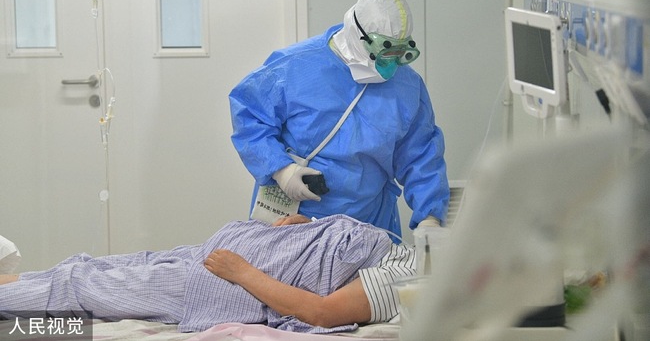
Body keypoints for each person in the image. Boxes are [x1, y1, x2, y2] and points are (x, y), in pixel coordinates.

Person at [229, 0, 450, 240]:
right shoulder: (294, 66)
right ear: (357, 34)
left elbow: (421, 155)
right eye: (382, 52)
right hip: (292, 222)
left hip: (368, 225)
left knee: (369, 281)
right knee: (282, 282)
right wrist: (281, 170)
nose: (389, 65)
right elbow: (249, 116)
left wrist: (430, 218)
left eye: (398, 54)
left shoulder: (407, 86)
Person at [0, 214, 415, 334]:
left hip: (225, 285)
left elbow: (322, 312)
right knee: (96, 267)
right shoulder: (413, 258)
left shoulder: (406, 284)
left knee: (84, 287)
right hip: (225, 258)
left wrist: (243, 271)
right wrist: (306, 229)